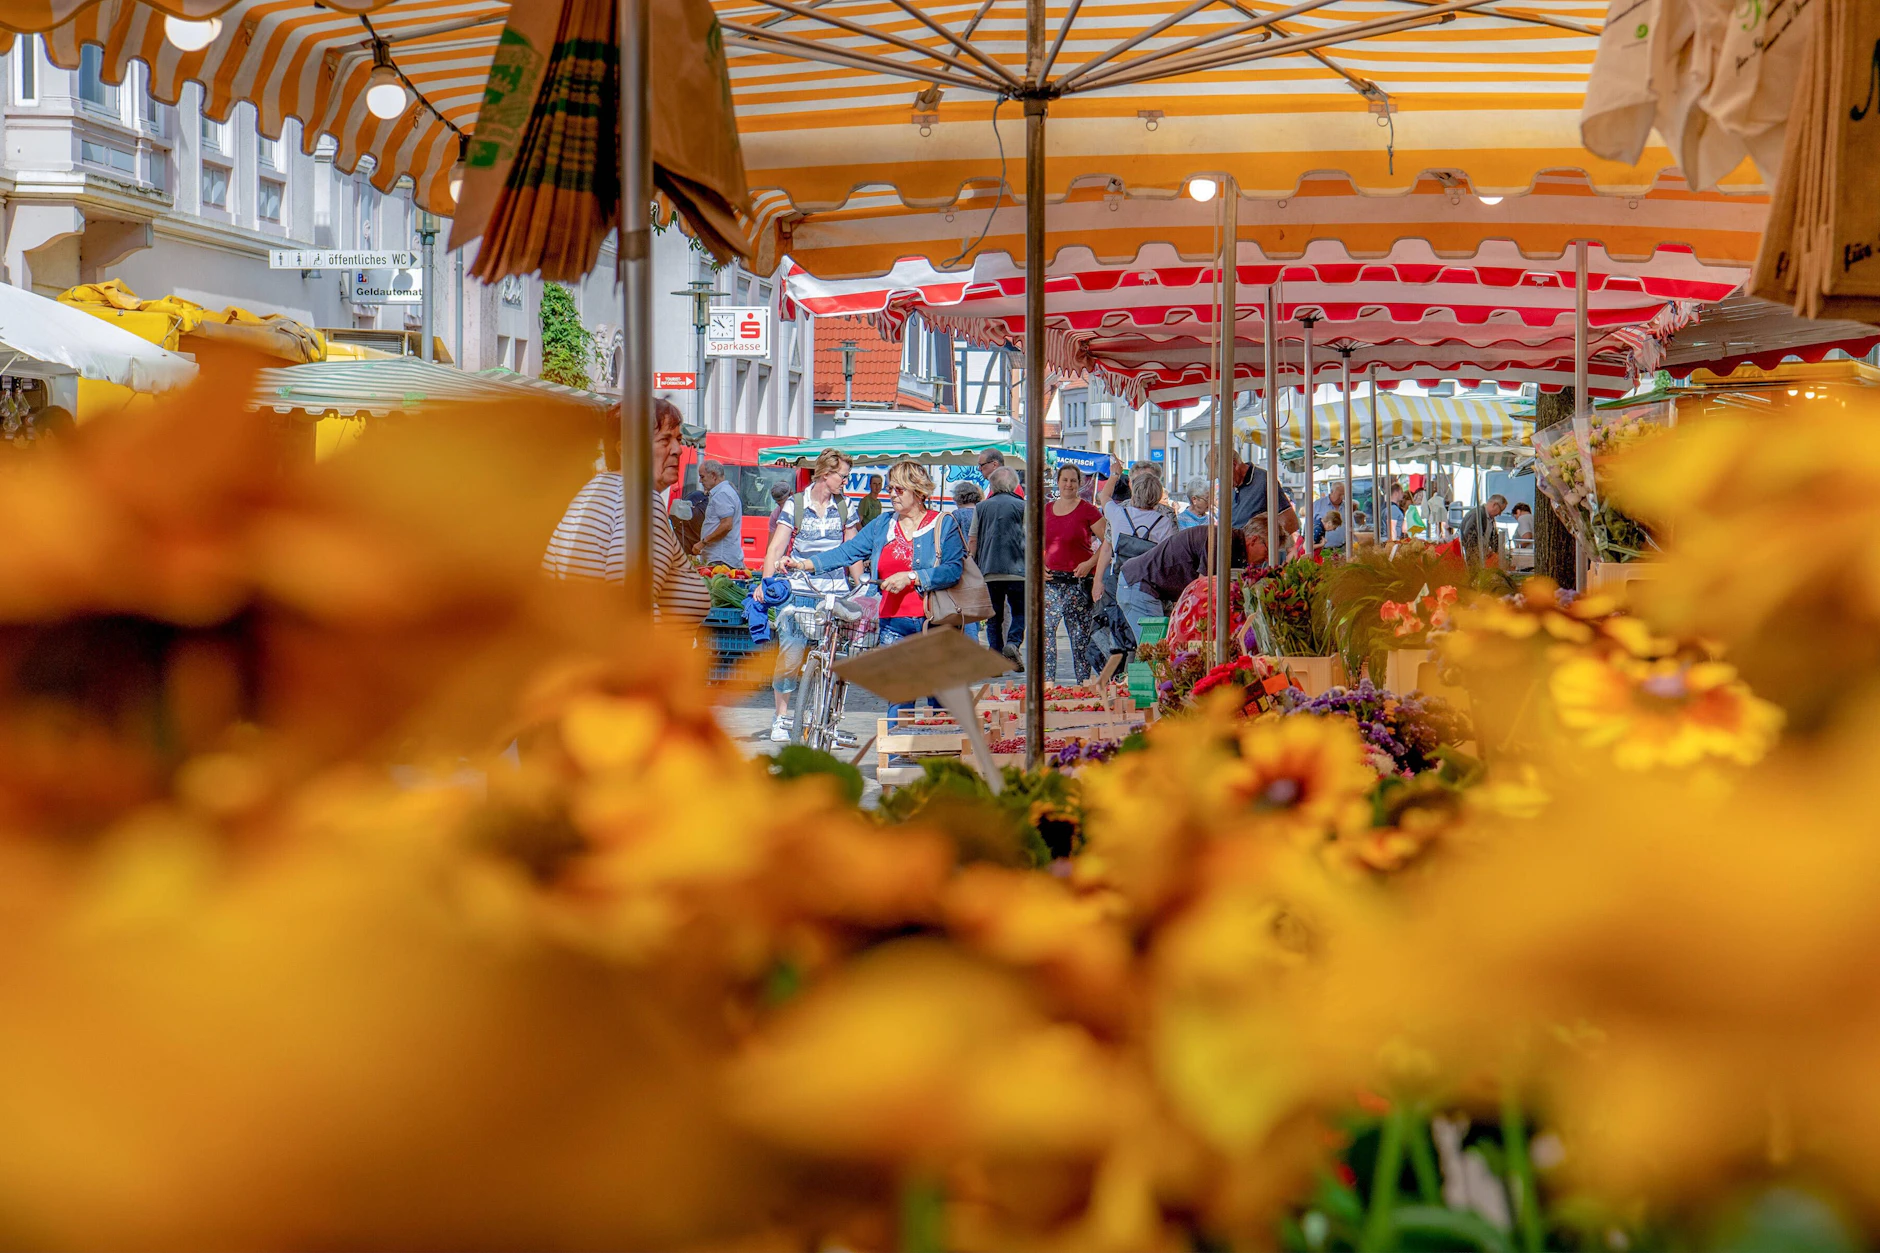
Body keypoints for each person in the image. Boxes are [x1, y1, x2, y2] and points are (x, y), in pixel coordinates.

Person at [789, 458, 964, 726]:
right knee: (899, 695)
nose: (891, 494)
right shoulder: (883, 525)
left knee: (938, 697)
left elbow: (952, 570)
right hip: (894, 623)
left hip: (935, 623)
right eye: (890, 488)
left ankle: (936, 755)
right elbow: (847, 552)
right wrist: (805, 563)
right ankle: (895, 759)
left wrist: (913, 577)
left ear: (918, 493)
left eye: (898, 490)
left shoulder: (942, 524)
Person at [543, 398, 711, 627]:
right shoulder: (641, 502)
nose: (678, 450)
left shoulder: (598, 491)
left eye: (678, 439)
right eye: (665, 440)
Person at [761, 448, 857, 743]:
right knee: (790, 654)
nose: (846, 481)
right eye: (843, 476)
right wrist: (766, 584)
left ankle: (829, 717)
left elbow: (852, 551)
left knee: (835, 658)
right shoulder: (795, 504)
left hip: (834, 593)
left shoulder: (846, 506)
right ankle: (781, 718)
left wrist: (861, 583)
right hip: (800, 589)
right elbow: (777, 547)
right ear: (826, 474)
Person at [1042, 463, 1110, 684]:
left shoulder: (1088, 510)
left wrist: (1090, 562)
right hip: (1051, 582)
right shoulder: (1047, 509)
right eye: (1065, 480)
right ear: (1058, 482)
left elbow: (1108, 540)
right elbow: (1035, 541)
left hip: (1078, 584)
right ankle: (1047, 684)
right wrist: (1039, 562)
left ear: (1080, 484)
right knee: (1046, 636)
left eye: (1073, 480)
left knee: (1079, 637)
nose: (1068, 484)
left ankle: (1083, 683)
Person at [1119, 515, 1271, 612]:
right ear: (1254, 540)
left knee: (1161, 650)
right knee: (1156, 652)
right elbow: (1203, 589)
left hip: (1154, 590)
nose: (1268, 559)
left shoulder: (1235, 548)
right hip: (1140, 584)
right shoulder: (1222, 541)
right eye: (1268, 550)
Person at [1107, 465, 1178, 639]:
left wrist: (1116, 474)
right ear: (1158, 495)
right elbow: (1170, 559)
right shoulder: (1164, 522)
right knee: (1153, 645)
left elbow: (1104, 496)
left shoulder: (1118, 513)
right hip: (1147, 587)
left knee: (1134, 643)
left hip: (1122, 584)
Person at [973, 466, 1027, 663]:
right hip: (1018, 570)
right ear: (1014, 485)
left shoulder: (981, 507)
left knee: (994, 616)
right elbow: (1030, 537)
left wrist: (974, 564)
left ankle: (995, 655)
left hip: (989, 569)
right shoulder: (1023, 506)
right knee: (1020, 610)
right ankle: (1013, 642)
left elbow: (973, 540)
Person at [1227, 449, 1300, 540]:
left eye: (1222, 475)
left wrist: (1263, 544)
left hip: (1257, 551)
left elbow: (1290, 522)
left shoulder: (1264, 480)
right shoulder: (1232, 488)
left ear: (1234, 465)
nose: (1222, 481)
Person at [951, 482, 985, 642]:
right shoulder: (983, 513)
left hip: (961, 567)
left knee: (964, 609)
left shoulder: (955, 516)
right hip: (981, 567)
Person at [695, 459, 745, 567]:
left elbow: (726, 525)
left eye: (702, 476)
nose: (700, 481)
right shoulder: (721, 492)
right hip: (719, 557)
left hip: (721, 559)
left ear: (713, 475)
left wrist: (703, 542)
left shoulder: (723, 493)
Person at [1459, 493, 1507, 566]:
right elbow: (1468, 534)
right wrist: (1476, 551)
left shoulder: (1490, 519)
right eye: (1501, 510)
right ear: (1494, 505)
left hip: (1480, 557)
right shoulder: (1477, 514)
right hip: (1472, 557)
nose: (1500, 514)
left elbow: (1493, 539)